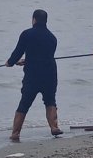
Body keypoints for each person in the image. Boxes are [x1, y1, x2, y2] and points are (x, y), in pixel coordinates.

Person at [6, 9, 62, 142]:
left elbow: (18, 51)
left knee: (24, 103)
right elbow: (43, 55)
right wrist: (27, 60)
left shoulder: (27, 34)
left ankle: (15, 133)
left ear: (34, 20)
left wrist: (10, 62)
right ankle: (54, 127)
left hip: (33, 75)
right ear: (46, 21)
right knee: (50, 101)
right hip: (50, 74)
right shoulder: (52, 38)